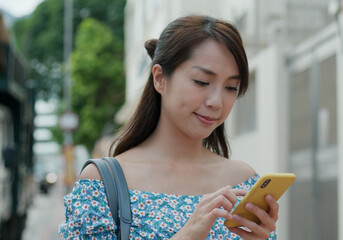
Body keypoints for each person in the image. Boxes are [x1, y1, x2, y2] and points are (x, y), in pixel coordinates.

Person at [59, 15, 279, 240]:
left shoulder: (243, 182)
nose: (217, 102)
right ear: (160, 78)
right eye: (202, 82)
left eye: (231, 87)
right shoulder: (102, 183)